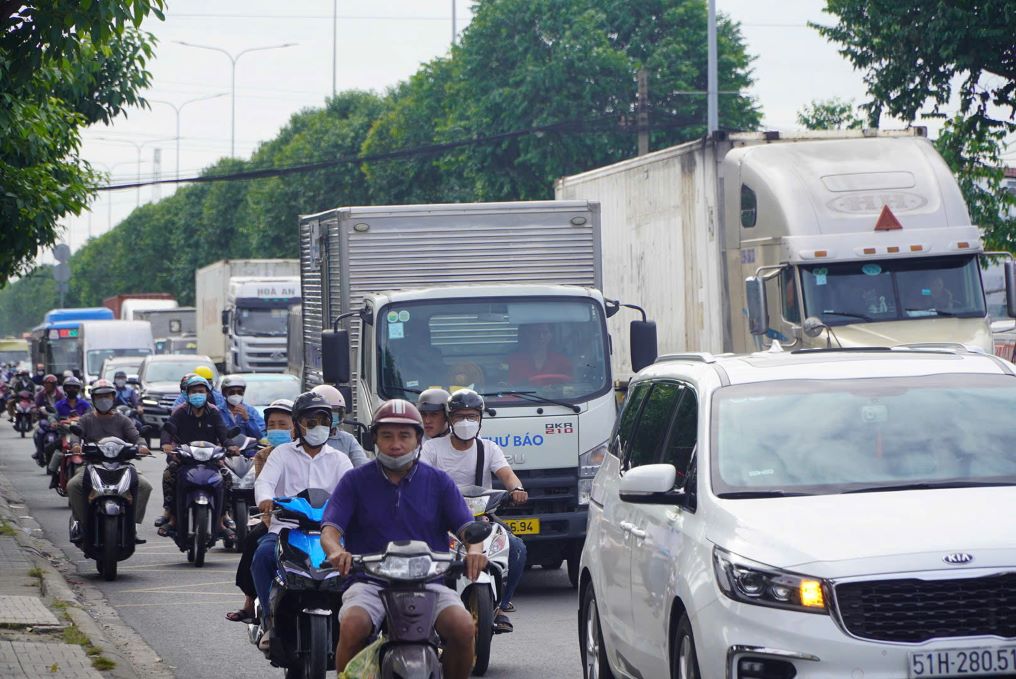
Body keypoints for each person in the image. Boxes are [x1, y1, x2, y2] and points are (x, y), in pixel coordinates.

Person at [321, 399, 484, 677]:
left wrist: (475, 550)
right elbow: (330, 531)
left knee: (463, 627)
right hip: (369, 582)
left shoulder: (439, 481)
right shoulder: (354, 481)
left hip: (428, 583)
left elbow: (468, 528)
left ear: (418, 439)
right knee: (352, 625)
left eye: (404, 436)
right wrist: (336, 552)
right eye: (387, 436)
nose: (396, 444)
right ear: (375, 439)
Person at [250, 392, 353, 650]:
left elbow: (354, 490)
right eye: (310, 420)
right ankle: (269, 620)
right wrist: (265, 499)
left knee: (360, 564)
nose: (317, 426)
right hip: (287, 528)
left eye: (322, 420)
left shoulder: (339, 458)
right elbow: (265, 481)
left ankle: (356, 624)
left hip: (330, 532)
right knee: (262, 557)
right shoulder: (282, 454)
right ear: (297, 424)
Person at [420, 388, 528, 633]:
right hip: (443, 523)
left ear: (480, 420)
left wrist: (517, 488)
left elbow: (507, 475)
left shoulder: (488, 448)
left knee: (517, 548)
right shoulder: (432, 449)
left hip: (482, 520)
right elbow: (421, 479)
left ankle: (501, 605)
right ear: (449, 419)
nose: (466, 422)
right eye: (459, 417)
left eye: (472, 417)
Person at [226, 398, 294, 625]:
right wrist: (268, 509)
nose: (277, 429)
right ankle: (254, 604)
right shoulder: (264, 455)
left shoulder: (324, 455)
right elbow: (264, 487)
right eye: (272, 424)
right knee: (254, 546)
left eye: (283, 424)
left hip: (313, 521)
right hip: (277, 519)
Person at [66, 379, 153, 544]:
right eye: (100, 396)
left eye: (107, 396)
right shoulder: (86, 419)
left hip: (122, 466)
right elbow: (76, 433)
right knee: (73, 485)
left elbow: (136, 436)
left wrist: (142, 446)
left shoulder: (122, 420)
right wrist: (76, 444)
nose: (104, 399)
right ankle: (82, 523)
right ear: (93, 399)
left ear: (113, 398)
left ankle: (131, 525)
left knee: (144, 485)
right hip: (92, 465)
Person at [156, 374, 233, 535]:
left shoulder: (214, 412)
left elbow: (223, 433)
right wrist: (166, 444)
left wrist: (231, 445)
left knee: (226, 475)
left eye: (201, 391)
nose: (197, 394)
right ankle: (170, 515)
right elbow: (168, 429)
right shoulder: (180, 411)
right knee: (170, 473)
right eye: (194, 391)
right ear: (187, 394)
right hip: (184, 456)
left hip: (211, 457)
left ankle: (222, 518)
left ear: (207, 393)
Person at [47, 376, 92, 486]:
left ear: (79, 389)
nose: (72, 389)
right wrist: (53, 422)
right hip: (64, 434)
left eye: (75, 387)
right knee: (53, 449)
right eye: (69, 387)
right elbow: (53, 415)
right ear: (65, 389)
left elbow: (91, 416)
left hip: (82, 435)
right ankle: (54, 475)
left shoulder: (85, 404)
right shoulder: (59, 404)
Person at [310, 384, 368, 467]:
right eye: (323, 413)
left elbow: (362, 467)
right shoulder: (304, 438)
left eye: (334, 411)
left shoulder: (347, 440)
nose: (328, 418)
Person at [507, 323, 572, 385]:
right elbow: (509, 388)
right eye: (535, 333)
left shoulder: (561, 361)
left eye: (545, 332)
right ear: (527, 335)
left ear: (551, 335)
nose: (541, 337)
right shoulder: (513, 361)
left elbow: (569, 387)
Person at [220, 376, 265, 440]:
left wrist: (247, 419)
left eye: (239, 392)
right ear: (224, 393)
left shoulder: (251, 411)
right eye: (232, 392)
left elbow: (260, 436)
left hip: (248, 448)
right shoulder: (218, 411)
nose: (236, 395)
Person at [32, 375, 63, 461]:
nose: (47, 386)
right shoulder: (41, 394)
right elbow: (36, 405)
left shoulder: (60, 395)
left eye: (50, 384)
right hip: (44, 419)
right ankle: (39, 452)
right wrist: (35, 409)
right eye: (45, 384)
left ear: (54, 385)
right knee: (38, 432)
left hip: (58, 420)